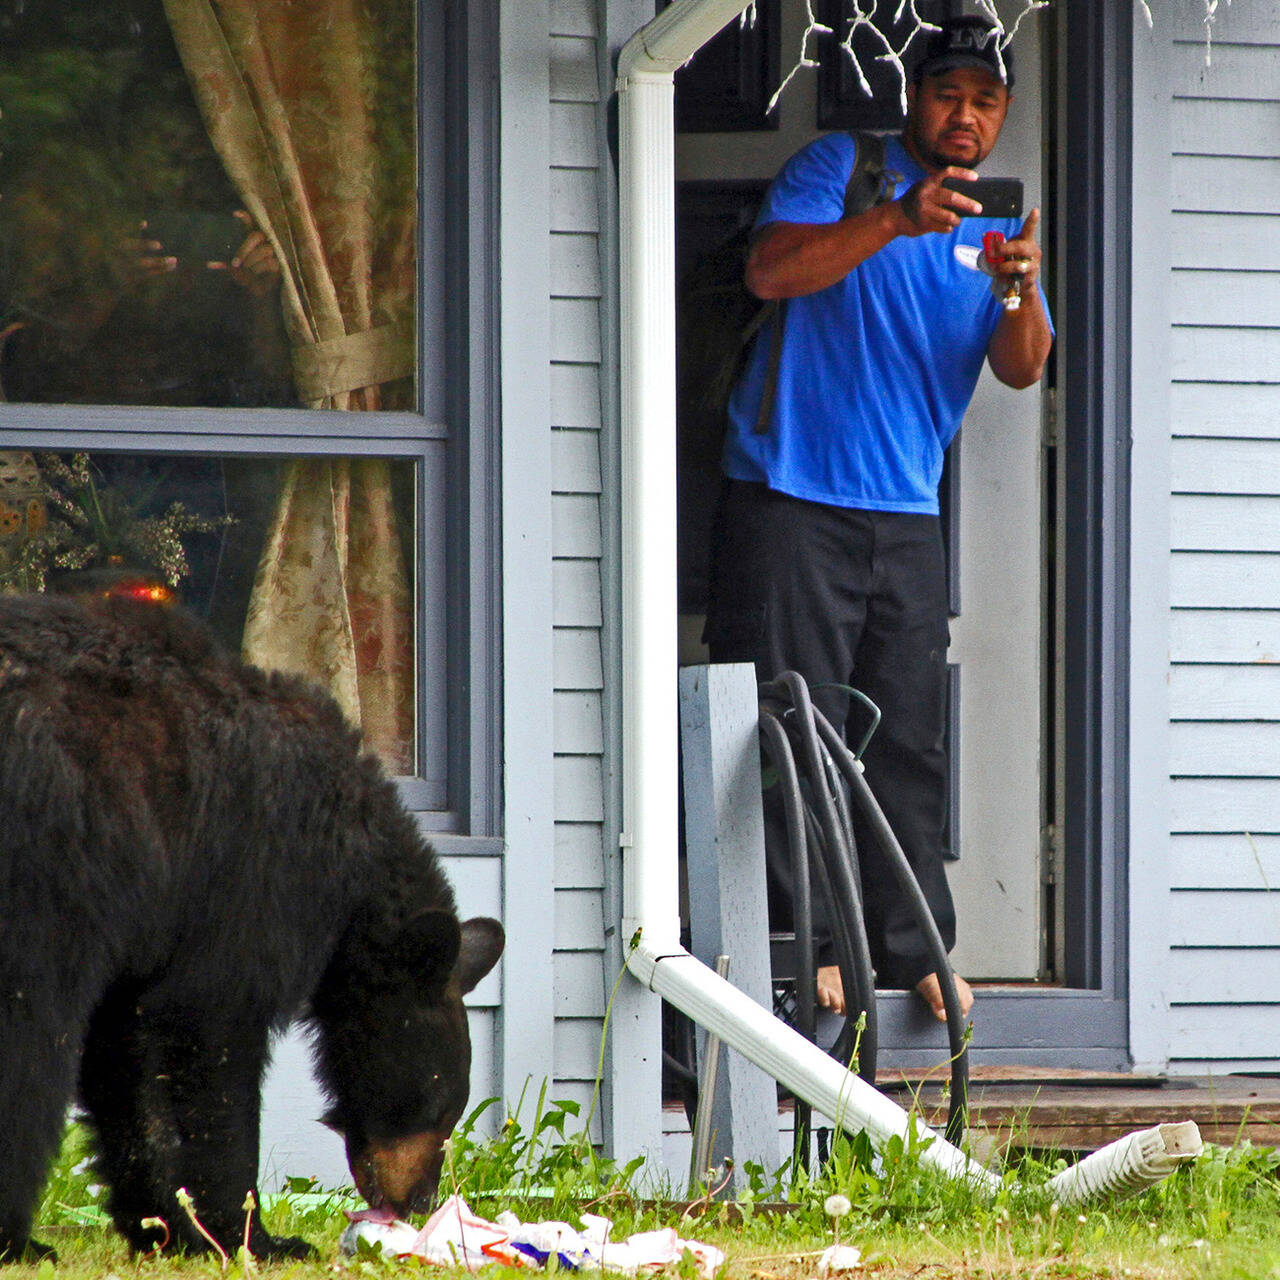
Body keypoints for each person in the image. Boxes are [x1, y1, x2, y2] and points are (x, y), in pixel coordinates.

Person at [703, 16, 1053, 1024]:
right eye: (948, 93)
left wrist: (1020, 291)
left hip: (903, 513)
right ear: (914, 97)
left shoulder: (995, 226)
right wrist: (895, 221)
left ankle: (913, 946)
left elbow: (1022, 366)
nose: (964, 115)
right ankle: (808, 938)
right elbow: (771, 271)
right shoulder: (841, 169)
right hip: (790, 496)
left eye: (984, 102)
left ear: (1001, 117)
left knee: (904, 741)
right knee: (788, 724)